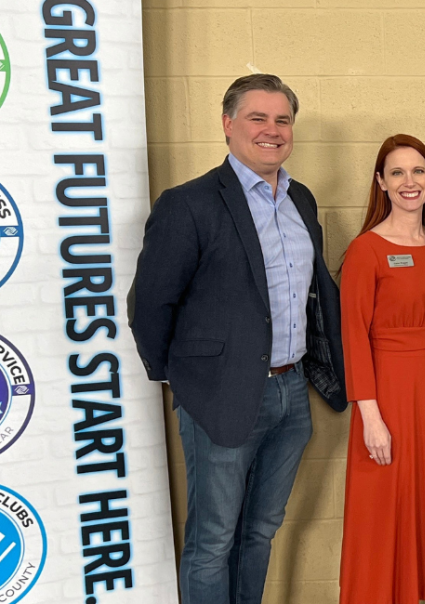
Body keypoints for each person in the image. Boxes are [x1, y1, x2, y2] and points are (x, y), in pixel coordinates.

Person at [130, 74, 346, 603]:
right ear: (228, 125)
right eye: (257, 118)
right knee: (212, 541)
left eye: (282, 120)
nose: (272, 130)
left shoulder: (303, 201)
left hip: (291, 394)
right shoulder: (189, 204)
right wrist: (182, 376)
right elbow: (149, 305)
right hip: (220, 395)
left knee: (260, 531)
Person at [339, 134, 425, 604]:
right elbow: (353, 338)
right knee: (384, 510)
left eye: (418, 171)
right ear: (380, 182)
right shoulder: (366, 250)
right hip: (388, 398)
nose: (409, 181)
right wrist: (369, 418)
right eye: (396, 172)